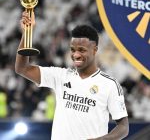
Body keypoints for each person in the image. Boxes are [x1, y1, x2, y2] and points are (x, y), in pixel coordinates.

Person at [15, 11, 129, 140]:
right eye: (73, 50)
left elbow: (124, 127)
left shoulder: (110, 84)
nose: (76, 55)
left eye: (82, 50)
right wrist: (27, 34)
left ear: (95, 50)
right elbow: (22, 68)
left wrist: (103, 139)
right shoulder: (61, 76)